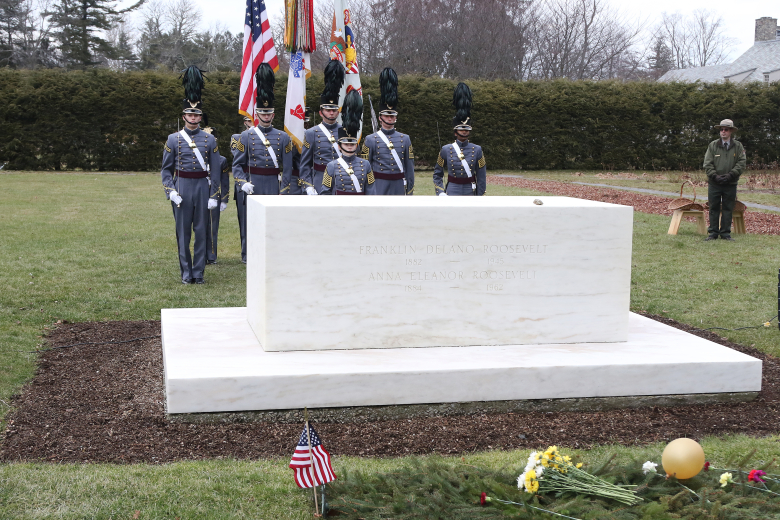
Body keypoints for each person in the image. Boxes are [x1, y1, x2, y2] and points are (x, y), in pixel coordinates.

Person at [160, 66, 222, 284]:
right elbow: (166, 169)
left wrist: (215, 195)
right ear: (183, 115)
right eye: (189, 113)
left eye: (196, 114)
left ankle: (199, 272)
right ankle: (186, 272)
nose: (193, 117)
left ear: (200, 116)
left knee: (202, 231)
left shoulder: (210, 140)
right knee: (183, 233)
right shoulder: (173, 139)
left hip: (202, 188)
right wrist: (171, 191)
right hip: (183, 187)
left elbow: (216, 171)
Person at [232, 63, 293, 200]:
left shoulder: (283, 137)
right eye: (263, 113)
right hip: (253, 183)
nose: (266, 116)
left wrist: (283, 190)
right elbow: (237, 165)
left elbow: (288, 168)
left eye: (268, 113)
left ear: (273, 115)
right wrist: (243, 183)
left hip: (274, 184)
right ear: (257, 115)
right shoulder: (246, 136)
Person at [361, 67, 414, 195]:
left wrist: (410, 188)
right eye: (387, 116)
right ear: (380, 117)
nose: (390, 118)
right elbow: (365, 168)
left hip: (399, 185)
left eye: (392, 116)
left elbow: (409, 166)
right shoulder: (370, 139)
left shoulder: (405, 139)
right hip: (379, 184)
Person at [433, 82, 487, 196]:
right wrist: (440, 192)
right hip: (452, 189)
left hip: (470, 190)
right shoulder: (446, 149)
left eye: (467, 129)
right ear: (455, 132)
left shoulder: (477, 150)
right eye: (461, 129)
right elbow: (437, 174)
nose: (464, 131)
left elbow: (481, 176)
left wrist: (480, 195)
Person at [299, 59, 345, 195]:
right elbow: (305, 164)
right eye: (327, 109)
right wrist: (307, 185)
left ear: (338, 111)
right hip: (319, 180)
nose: (331, 112)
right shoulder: (311, 133)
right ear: (321, 112)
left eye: (334, 109)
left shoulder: (345, 131)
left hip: (342, 180)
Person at [320, 90, 376, 195]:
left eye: (352, 144)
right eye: (346, 144)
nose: (349, 147)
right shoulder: (331, 166)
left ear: (356, 145)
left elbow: (371, 190)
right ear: (339, 146)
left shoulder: (365, 164)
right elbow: (325, 192)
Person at [703, 119, 746, 241]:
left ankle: (726, 233)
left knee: (728, 208)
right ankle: (713, 233)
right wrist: (714, 176)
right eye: (721, 129)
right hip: (714, 183)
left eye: (726, 129)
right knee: (714, 207)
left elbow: (741, 163)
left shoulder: (738, 146)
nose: (723, 132)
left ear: (731, 131)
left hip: (730, 183)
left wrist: (731, 175)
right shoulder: (713, 145)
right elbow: (707, 163)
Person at [203, 123, 230, 265]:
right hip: (200, 193)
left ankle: (212, 255)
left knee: (213, 226)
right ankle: (201, 253)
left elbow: (224, 181)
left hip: (214, 195)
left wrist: (224, 199)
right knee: (201, 225)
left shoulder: (221, 160)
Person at [231, 116, 253, 263]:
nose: (253, 123)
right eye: (250, 121)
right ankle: (246, 253)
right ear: (245, 122)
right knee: (244, 220)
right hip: (243, 181)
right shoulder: (237, 138)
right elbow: (237, 156)